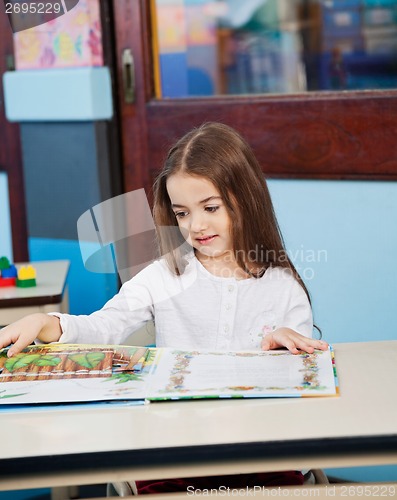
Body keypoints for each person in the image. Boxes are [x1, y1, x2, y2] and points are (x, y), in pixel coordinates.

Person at [0, 122, 327, 492]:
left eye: (211, 207)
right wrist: (47, 322)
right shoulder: (163, 276)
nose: (197, 225)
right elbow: (106, 325)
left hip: (261, 451)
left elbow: (303, 381)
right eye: (183, 213)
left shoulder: (283, 288)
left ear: (246, 198)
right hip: (176, 449)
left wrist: (288, 346)